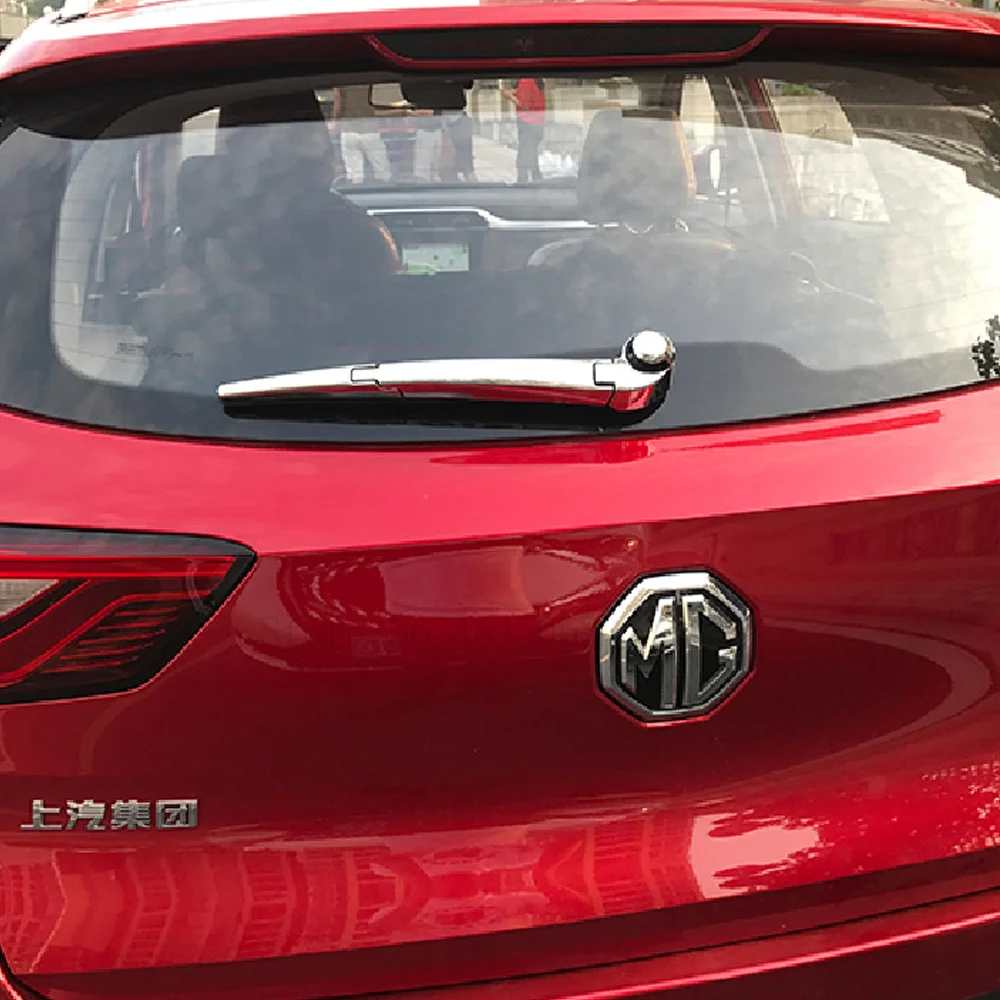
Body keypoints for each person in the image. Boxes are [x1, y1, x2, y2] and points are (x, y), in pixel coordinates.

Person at [333, 86, 390, 183]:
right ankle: (384, 188)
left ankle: (356, 188)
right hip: (370, 129)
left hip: (349, 130)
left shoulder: (340, 80)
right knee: (381, 169)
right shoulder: (370, 79)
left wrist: (335, 120)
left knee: (354, 173)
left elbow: (338, 101)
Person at [501, 78, 546, 182]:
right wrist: (513, 93)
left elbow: (524, 105)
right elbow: (528, 95)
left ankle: (523, 181)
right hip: (537, 123)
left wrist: (509, 97)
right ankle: (536, 178)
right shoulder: (534, 80)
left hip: (527, 123)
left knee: (523, 157)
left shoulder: (526, 81)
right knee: (533, 154)